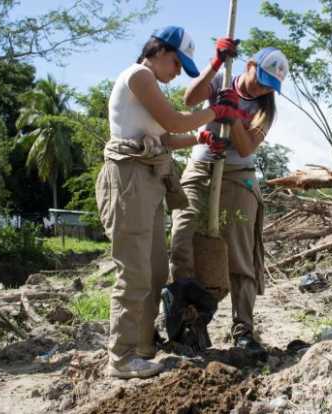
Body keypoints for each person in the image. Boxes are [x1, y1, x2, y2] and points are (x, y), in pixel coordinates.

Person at [95, 26, 249, 379]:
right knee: (133, 272)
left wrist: (201, 136)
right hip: (129, 178)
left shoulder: (150, 89)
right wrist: (216, 112)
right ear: (160, 51)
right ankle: (120, 358)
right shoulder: (139, 75)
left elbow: (166, 136)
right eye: (178, 64)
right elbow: (175, 119)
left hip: (149, 179)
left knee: (153, 272)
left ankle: (143, 348)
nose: (177, 72)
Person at [170, 40, 289, 359]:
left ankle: (243, 329)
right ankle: (188, 321)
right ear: (250, 65)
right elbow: (190, 98)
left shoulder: (266, 108)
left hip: (238, 174)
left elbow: (247, 147)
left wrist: (232, 113)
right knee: (182, 238)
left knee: (240, 251)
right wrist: (216, 63)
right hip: (201, 166)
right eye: (261, 80)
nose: (264, 90)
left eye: (271, 87)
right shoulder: (225, 76)